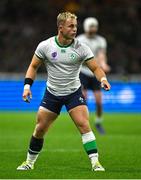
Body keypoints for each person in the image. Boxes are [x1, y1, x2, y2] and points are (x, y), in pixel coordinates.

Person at [17, 12, 110, 172]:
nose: (75, 29)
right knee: (39, 129)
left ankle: (95, 163)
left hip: (73, 93)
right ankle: (29, 163)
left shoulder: (81, 48)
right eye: (71, 26)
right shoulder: (45, 46)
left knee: (84, 125)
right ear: (60, 28)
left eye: (75, 25)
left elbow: (95, 67)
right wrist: (27, 87)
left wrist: (103, 79)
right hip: (52, 94)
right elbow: (33, 66)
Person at [77, 17, 111, 134]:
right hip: (83, 71)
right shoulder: (79, 40)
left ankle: (98, 122)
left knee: (98, 101)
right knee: (84, 99)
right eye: (91, 26)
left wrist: (104, 64)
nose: (93, 29)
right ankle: (83, 123)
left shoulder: (101, 40)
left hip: (95, 73)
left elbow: (102, 55)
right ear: (86, 27)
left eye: (94, 26)